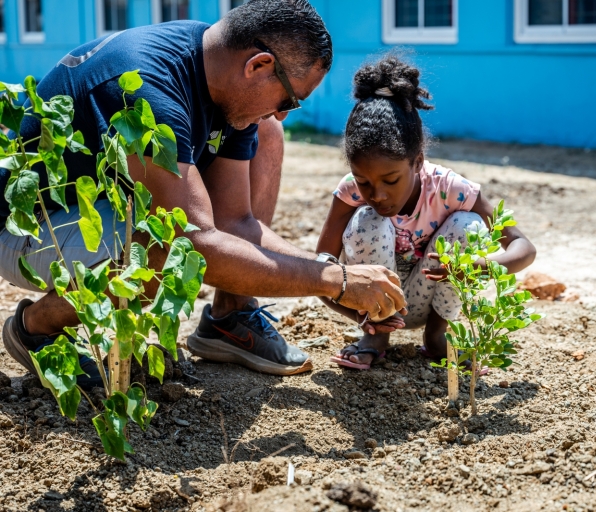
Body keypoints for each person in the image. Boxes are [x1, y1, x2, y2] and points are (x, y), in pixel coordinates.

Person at [0, 0, 407, 388]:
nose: (283, 111)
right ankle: (35, 328)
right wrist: (332, 280)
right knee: (167, 250)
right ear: (259, 65)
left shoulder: (218, 66)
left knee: (266, 133)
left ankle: (232, 315)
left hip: (103, 210)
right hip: (35, 227)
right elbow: (193, 245)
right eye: (289, 99)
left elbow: (235, 223)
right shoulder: (149, 87)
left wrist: (333, 274)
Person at [316, 56, 537, 370]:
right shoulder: (350, 192)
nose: (377, 195)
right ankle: (376, 339)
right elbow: (320, 270)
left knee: (468, 224)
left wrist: (478, 267)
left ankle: (438, 338)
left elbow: (524, 248)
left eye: (391, 180)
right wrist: (362, 317)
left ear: (417, 162)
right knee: (366, 218)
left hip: (430, 300)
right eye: (365, 181)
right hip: (374, 302)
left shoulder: (450, 189)